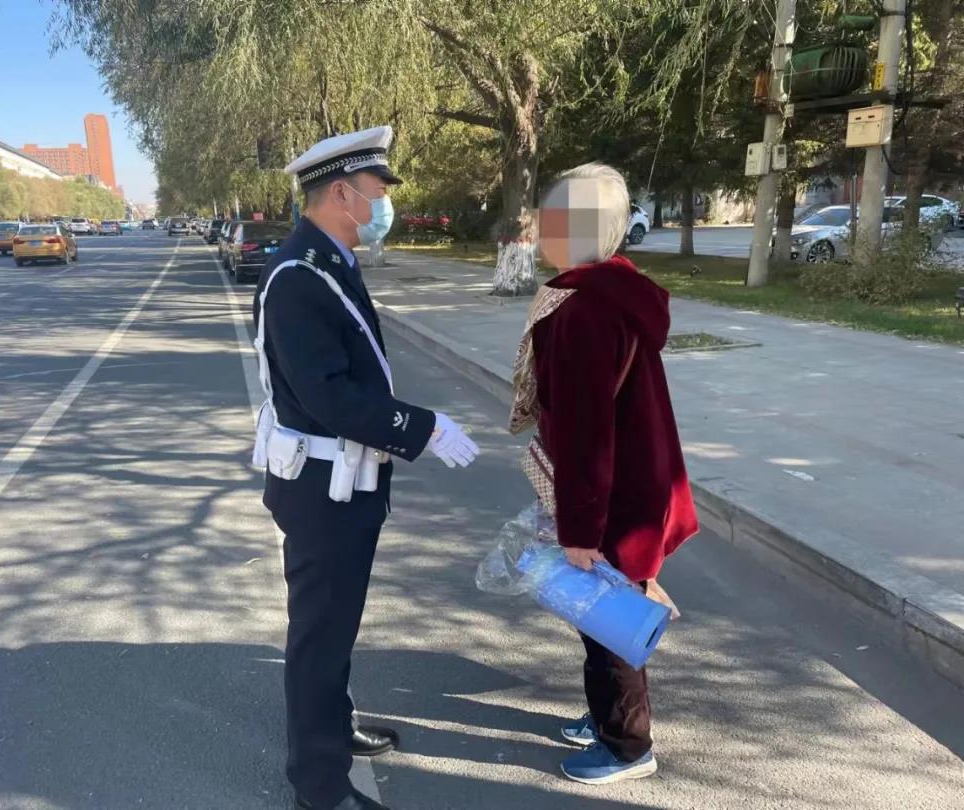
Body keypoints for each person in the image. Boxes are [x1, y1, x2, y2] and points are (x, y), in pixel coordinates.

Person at [252, 125, 479, 810]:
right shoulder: (298, 276)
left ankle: (334, 724)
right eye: (377, 191)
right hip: (324, 490)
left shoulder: (329, 260)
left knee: (337, 627)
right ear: (342, 194)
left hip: (344, 482)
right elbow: (330, 396)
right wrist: (422, 426)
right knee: (319, 639)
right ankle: (319, 786)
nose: (384, 204)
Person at [509, 163, 698, 786]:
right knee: (606, 615)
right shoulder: (612, 291)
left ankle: (626, 746)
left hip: (613, 500)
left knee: (607, 623)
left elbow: (587, 432)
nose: (539, 228)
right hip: (635, 486)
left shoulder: (584, 310)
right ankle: (605, 717)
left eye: (548, 218)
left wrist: (580, 530)